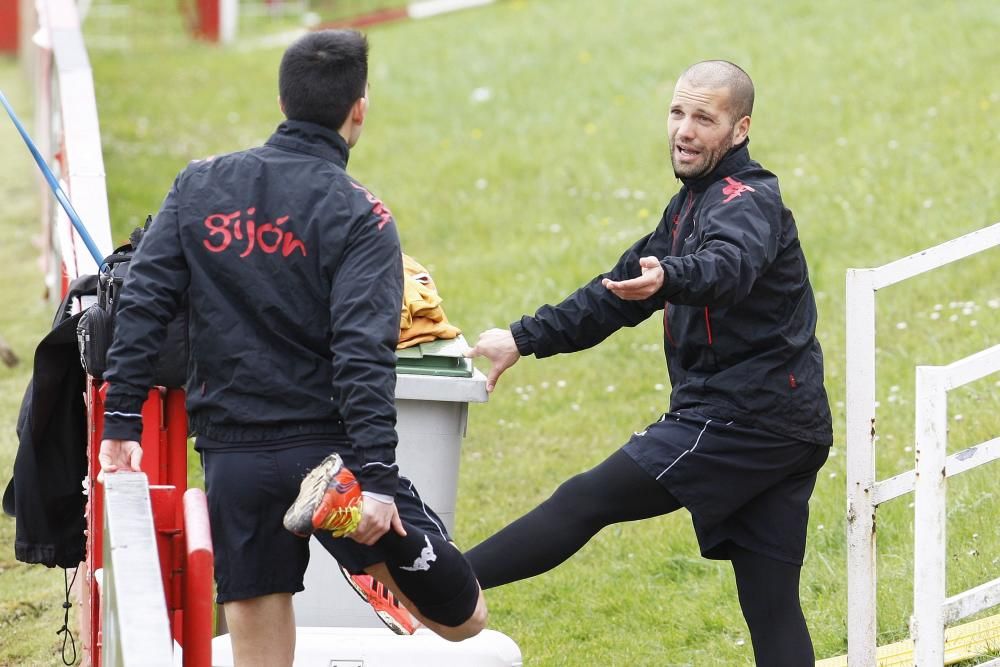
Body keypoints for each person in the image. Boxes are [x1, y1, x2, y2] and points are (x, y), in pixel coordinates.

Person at [97, 29, 486, 667]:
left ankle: (337, 516)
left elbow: (144, 302)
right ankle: (337, 512)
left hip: (233, 460)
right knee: (465, 618)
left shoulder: (198, 186)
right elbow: (363, 357)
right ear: (358, 108)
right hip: (328, 459)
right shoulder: (364, 217)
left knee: (259, 658)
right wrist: (378, 483)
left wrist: (120, 418)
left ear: (282, 102)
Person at [464, 60, 832, 666]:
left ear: (740, 129)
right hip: (785, 426)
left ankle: (437, 588)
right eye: (677, 112)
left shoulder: (746, 200)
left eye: (703, 118)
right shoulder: (690, 205)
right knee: (771, 608)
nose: (684, 130)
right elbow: (613, 295)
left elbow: (728, 267)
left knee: (588, 498)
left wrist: (674, 274)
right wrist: (521, 339)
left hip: (743, 416)